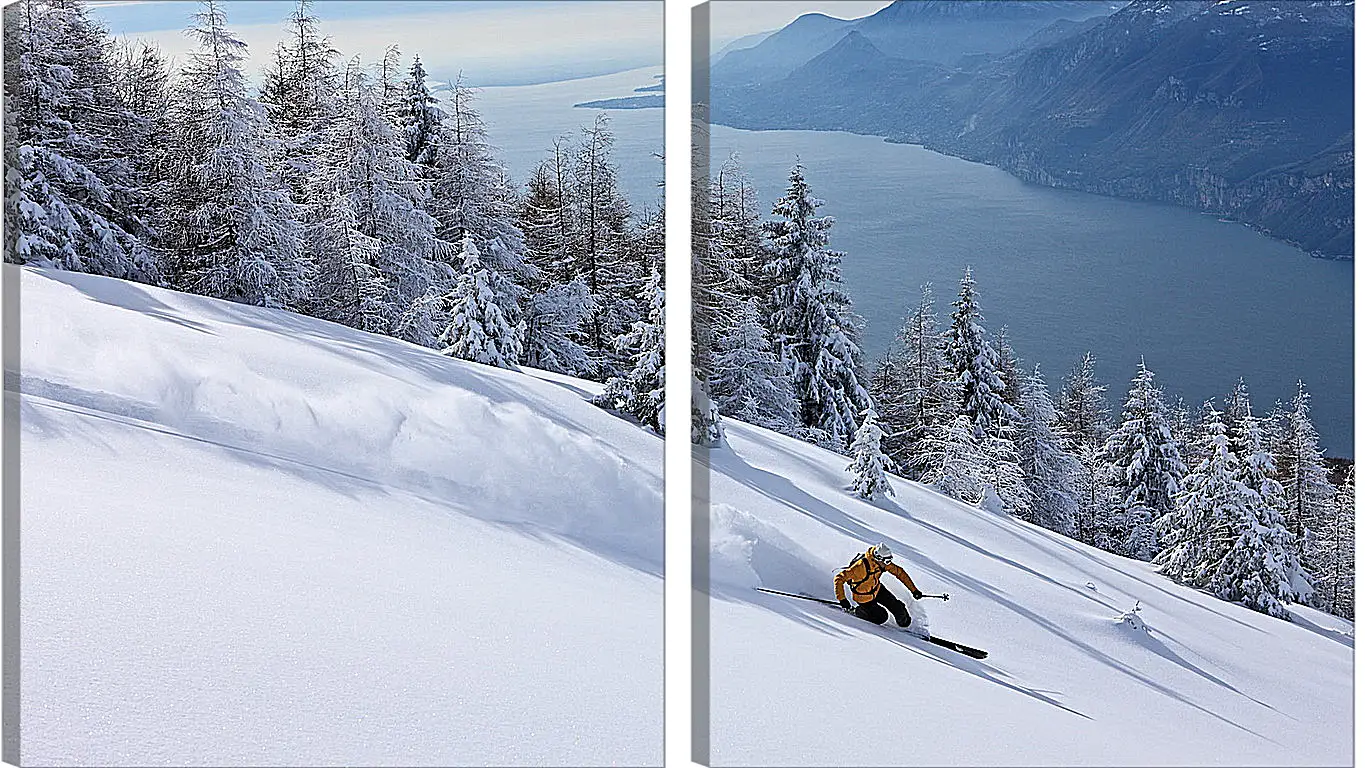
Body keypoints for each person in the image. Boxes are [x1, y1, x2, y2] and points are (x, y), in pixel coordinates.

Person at [834, 542, 923, 627]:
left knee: (899, 610)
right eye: (887, 561)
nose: (888, 563)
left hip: (877, 589)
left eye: (889, 561)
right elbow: (839, 578)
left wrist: (914, 590)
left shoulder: (882, 563)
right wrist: (842, 599)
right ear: (879, 558)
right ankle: (858, 611)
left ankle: (905, 625)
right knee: (881, 617)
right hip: (863, 597)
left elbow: (899, 573)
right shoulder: (860, 567)